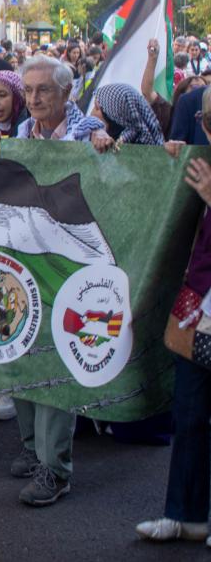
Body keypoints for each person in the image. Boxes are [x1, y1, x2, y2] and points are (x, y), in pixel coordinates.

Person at [11, 55, 105, 506]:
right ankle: (32, 450)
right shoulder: (19, 133)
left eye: (43, 90)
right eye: (27, 90)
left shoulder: (88, 133)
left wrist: (106, 145)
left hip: (71, 264)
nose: (32, 99)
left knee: (56, 363)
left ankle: (55, 469)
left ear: (67, 93)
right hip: (27, 258)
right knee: (22, 351)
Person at [137, 89, 211, 543]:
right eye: (207, 118)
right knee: (189, 413)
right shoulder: (201, 160)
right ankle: (183, 513)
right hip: (197, 310)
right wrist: (165, 164)